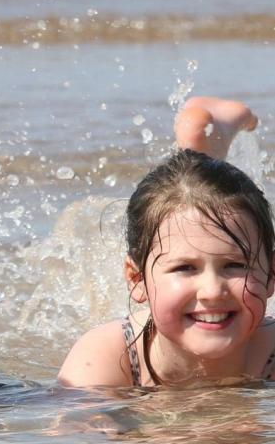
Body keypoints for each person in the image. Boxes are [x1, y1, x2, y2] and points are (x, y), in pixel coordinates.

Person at [58, 96, 275, 387]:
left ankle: (203, 150)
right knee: (189, 210)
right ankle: (203, 149)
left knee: (198, 211)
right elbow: (75, 426)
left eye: (235, 265)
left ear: (272, 274)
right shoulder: (108, 356)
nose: (212, 291)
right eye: (185, 268)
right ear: (136, 279)